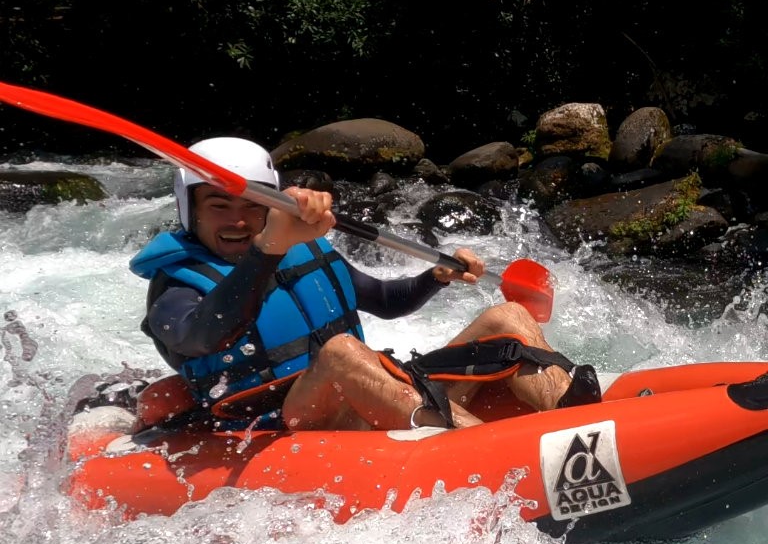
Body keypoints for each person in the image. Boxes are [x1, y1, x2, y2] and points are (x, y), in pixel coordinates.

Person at [128, 137, 600, 432]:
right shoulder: (174, 287)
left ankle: (583, 421)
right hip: (283, 421)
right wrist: (268, 245)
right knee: (341, 352)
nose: (238, 220)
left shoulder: (299, 248)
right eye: (218, 206)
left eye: (253, 206)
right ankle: (486, 447)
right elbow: (206, 335)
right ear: (190, 209)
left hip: (370, 390)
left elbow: (384, 302)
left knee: (508, 317)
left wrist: (434, 278)